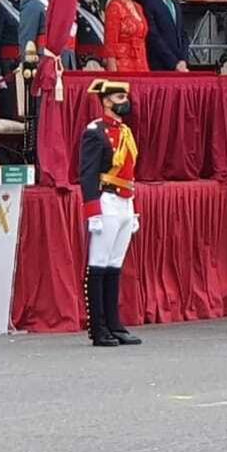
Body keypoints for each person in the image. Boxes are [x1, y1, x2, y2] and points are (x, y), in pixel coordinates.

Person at [81, 78, 141, 347]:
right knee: (99, 263)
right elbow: (88, 173)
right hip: (106, 199)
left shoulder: (125, 131)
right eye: (119, 98)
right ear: (105, 101)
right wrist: (92, 210)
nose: (124, 103)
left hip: (125, 200)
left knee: (115, 264)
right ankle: (98, 326)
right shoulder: (95, 131)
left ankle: (114, 322)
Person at [137, 0, 190, 71]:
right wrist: (173, 63)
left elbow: (183, 33)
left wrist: (184, 60)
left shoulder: (174, 1)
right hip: (159, 66)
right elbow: (153, 35)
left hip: (181, 65)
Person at [103, 0, 152, 72]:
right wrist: (113, 73)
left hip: (141, 62)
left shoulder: (138, 7)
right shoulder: (115, 7)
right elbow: (110, 43)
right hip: (122, 65)